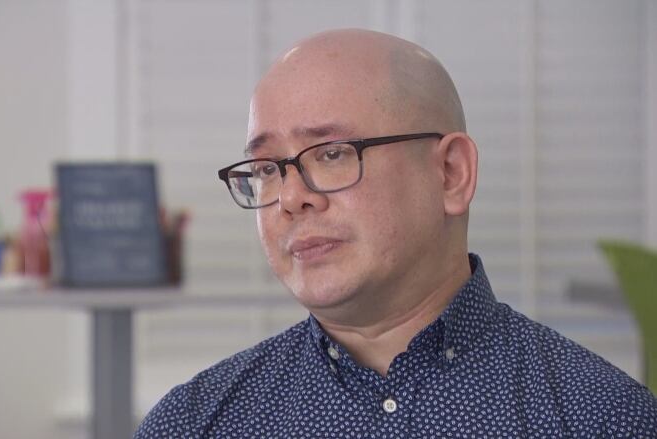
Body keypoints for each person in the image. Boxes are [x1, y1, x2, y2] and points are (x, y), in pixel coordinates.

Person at [134, 29, 657, 438]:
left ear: (451, 173)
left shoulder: (606, 420)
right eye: (268, 168)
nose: (292, 197)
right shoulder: (190, 424)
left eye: (333, 153)